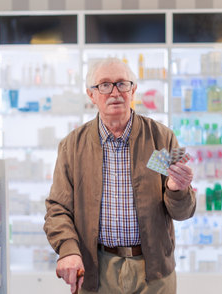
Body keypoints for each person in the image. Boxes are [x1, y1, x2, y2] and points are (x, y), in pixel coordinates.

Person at [44, 57, 195, 294]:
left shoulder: (162, 138)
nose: (115, 92)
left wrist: (177, 190)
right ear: (91, 95)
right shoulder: (71, 146)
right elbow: (57, 208)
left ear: (133, 90)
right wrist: (68, 250)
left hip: (154, 272)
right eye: (104, 85)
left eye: (122, 84)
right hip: (95, 269)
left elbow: (184, 212)